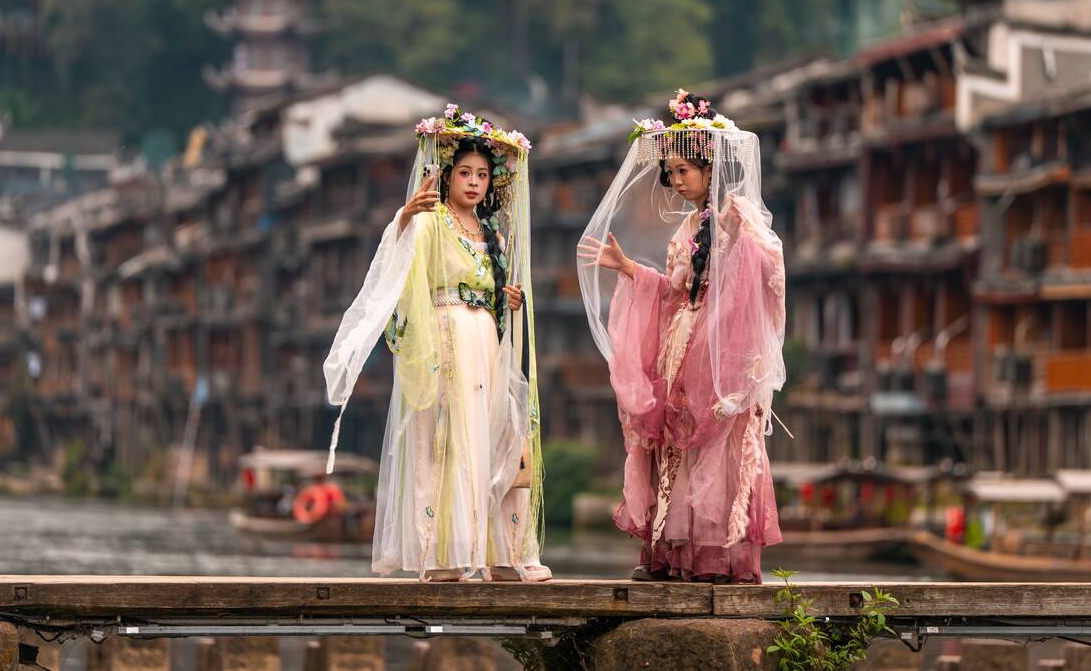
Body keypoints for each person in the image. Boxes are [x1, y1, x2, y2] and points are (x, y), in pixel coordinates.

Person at [324, 106, 550, 582]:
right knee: (447, 441)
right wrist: (404, 221)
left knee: (494, 435)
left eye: (482, 175)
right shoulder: (431, 222)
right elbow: (399, 274)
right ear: (446, 176)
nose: (473, 182)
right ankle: (444, 554)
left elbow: (498, 295)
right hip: (444, 338)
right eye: (465, 173)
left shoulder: (494, 237)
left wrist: (508, 298)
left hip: (485, 339)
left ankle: (503, 552)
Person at [577, 90, 787, 584]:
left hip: (722, 351)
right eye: (669, 172)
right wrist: (629, 268)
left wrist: (739, 244)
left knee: (717, 448)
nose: (674, 180)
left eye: (682, 172)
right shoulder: (690, 224)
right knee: (676, 446)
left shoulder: (737, 216)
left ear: (709, 169)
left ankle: (716, 557)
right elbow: (675, 292)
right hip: (682, 344)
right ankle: (675, 556)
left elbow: (768, 272)